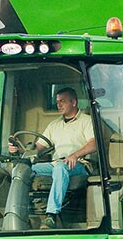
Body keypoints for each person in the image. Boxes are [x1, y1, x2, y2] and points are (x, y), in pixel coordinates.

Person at [8, 87, 97, 228]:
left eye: (62, 101)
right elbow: (38, 148)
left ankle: (51, 215)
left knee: (61, 167)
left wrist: (74, 155)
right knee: (24, 169)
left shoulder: (86, 121)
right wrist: (18, 149)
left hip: (80, 164)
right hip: (56, 164)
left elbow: (93, 144)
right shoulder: (54, 125)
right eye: (57, 102)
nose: (59, 105)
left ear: (73, 102)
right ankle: (19, 213)